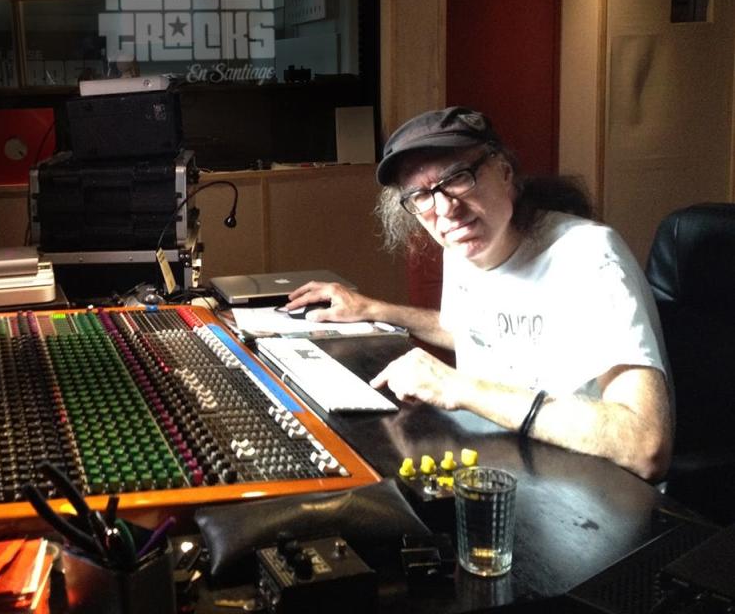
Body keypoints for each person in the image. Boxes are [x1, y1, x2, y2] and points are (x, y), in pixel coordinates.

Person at [287, 106, 673, 481]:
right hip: (502, 469)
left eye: (458, 177)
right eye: (421, 195)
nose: (445, 209)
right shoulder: (463, 246)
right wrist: (373, 309)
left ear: (504, 172)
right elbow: (471, 331)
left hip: (593, 489)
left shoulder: (589, 256)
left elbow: (646, 445)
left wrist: (458, 387)